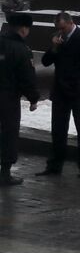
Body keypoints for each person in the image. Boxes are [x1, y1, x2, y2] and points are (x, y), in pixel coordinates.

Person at [38, 12, 80, 178]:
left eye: (63, 28)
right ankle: (55, 165)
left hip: (78, 91)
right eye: (58, 28)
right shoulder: (57, 38)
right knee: (57, 130)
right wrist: (54, 47)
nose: (61, 31)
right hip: (60, 91)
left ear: (70, 22)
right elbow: (45, 61)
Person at [1, 12, 41, 185]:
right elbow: (27, 77)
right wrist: (33, 98)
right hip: (8, 98)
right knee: (9, 133)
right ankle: (4, 173)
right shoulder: (22, 50)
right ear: (23, 29)